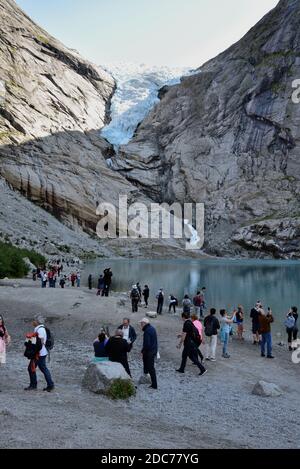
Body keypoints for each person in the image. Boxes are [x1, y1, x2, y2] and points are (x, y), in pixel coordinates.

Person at [24, 315, 55, 392]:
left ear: (37, 321)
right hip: (42, 353)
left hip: (39, 353)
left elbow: (39, 343)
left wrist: (33, 350)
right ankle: (50, 385)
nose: (33, 322)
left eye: (34, 320)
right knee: (43, 368)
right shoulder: (41, 328)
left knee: (31, 368)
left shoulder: (40, 330)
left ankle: (33, 385)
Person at [139, 318, 158, 389]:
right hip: (153, 350)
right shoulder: (152, 328)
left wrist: (142, 351)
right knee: (149, 367)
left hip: (149, 352)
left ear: (144, 323)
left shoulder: (147, 331)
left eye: (141, 324)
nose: (141, 325)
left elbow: (147, 344)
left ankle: (154, 384)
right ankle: (148, 377)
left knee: (151, 368)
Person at [0, 315, 11, 392]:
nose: (0, 320)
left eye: (0, 319)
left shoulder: (3, 327)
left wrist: (8, 340)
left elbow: (7, 335)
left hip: (2, 349)